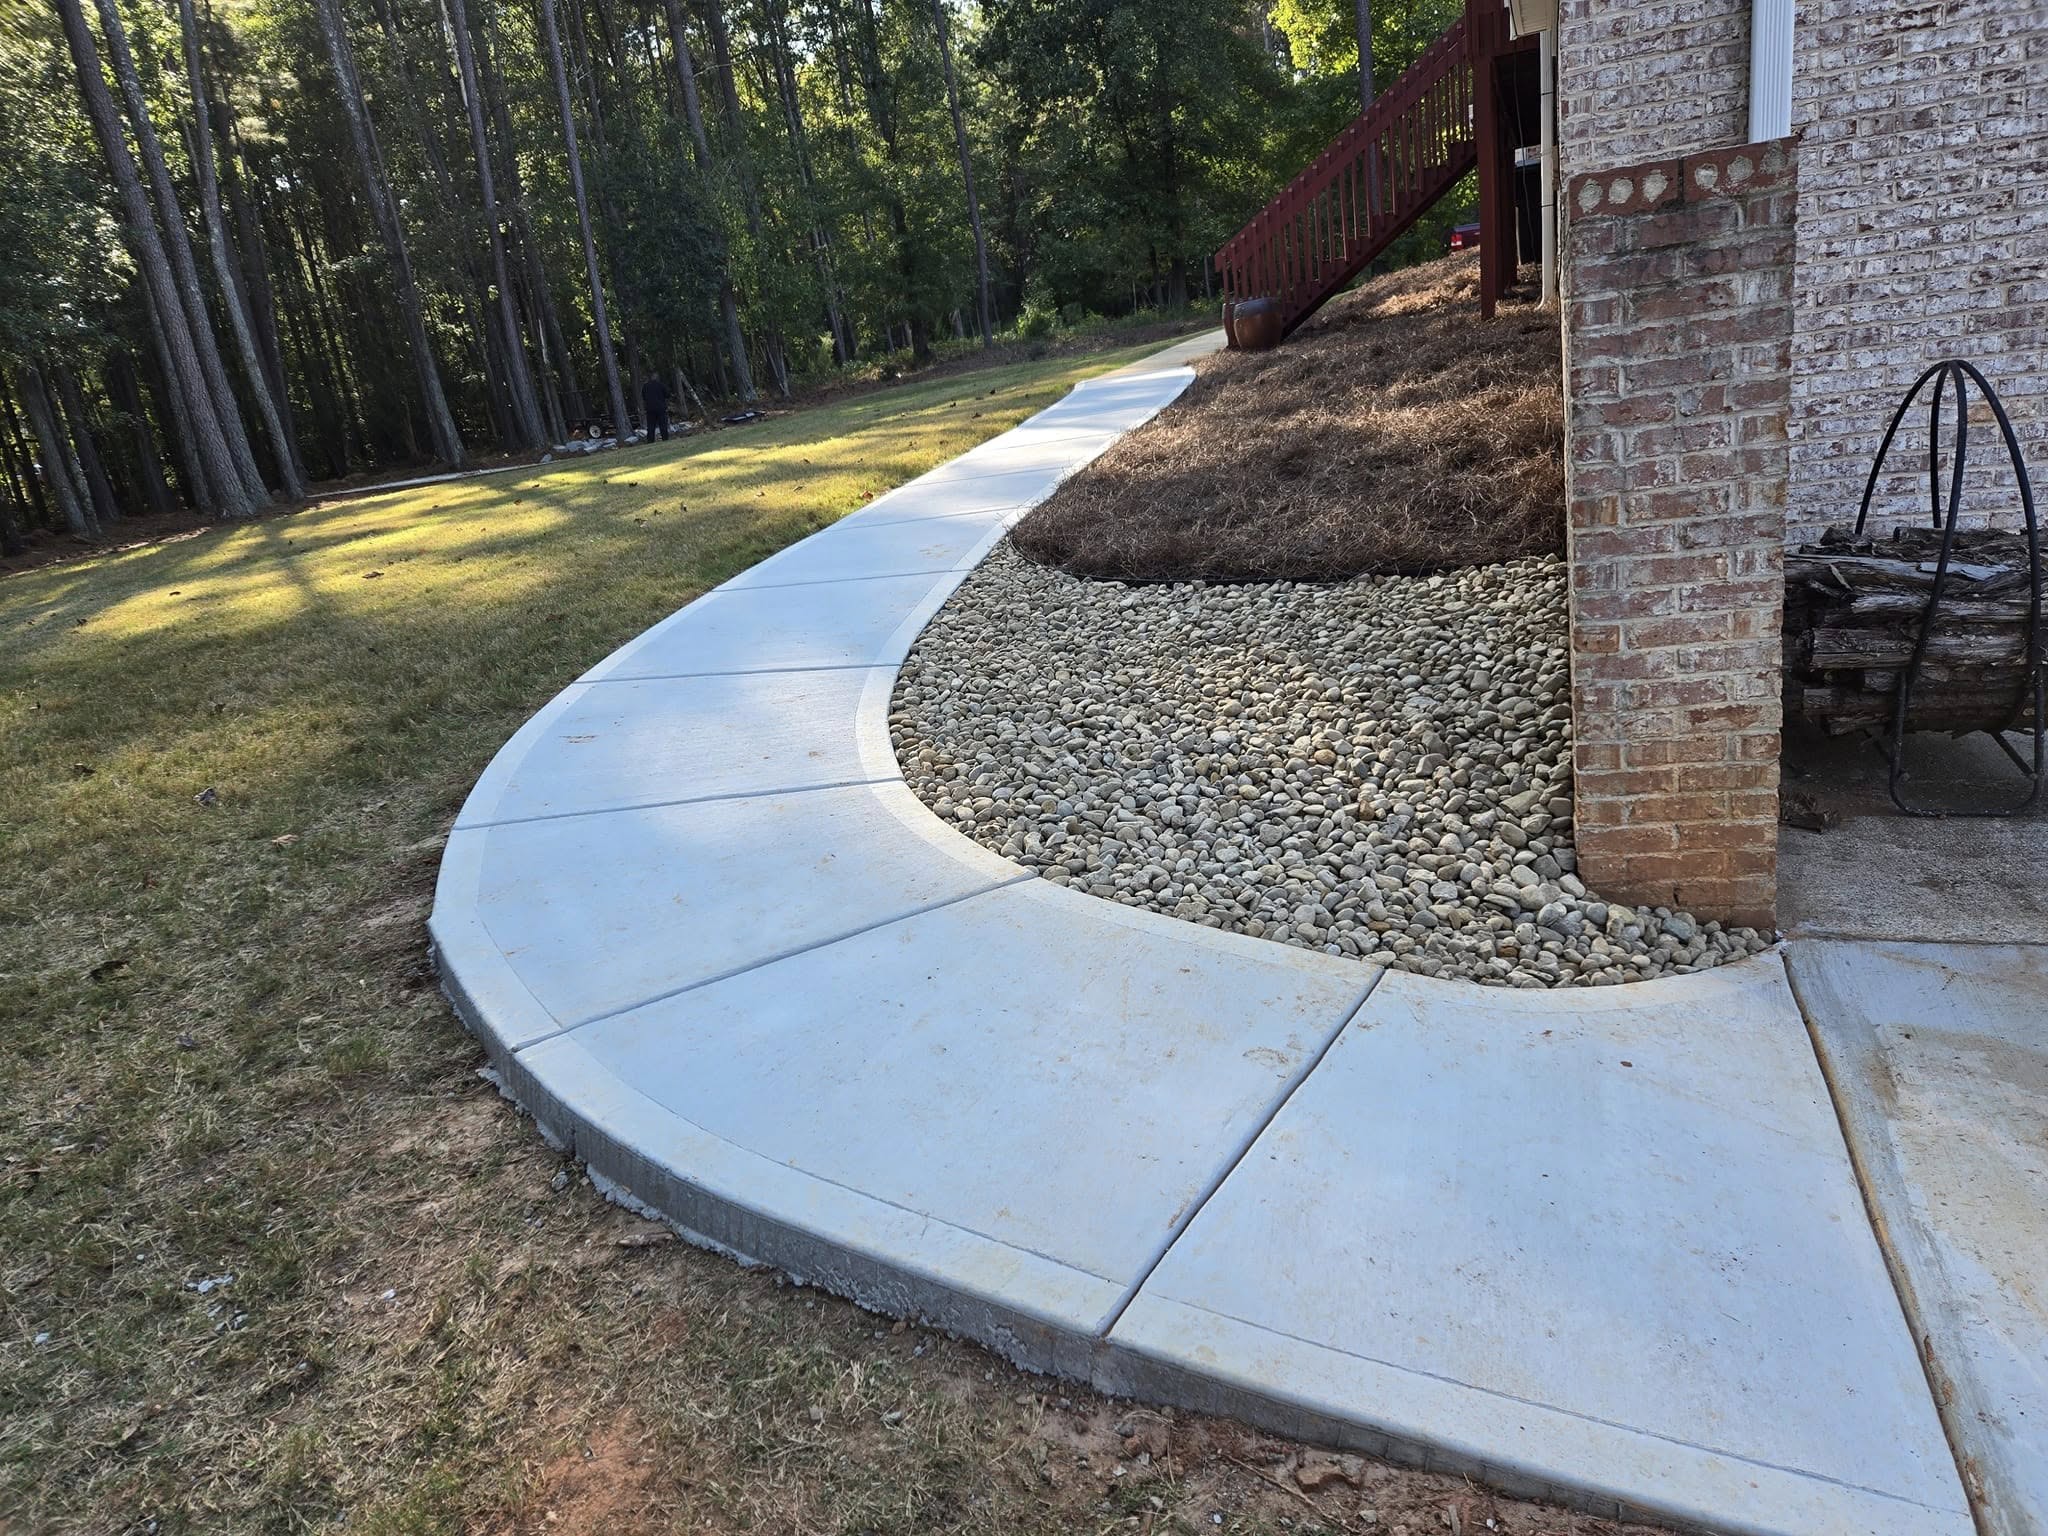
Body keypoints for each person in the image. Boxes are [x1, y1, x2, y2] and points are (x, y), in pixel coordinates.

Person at [640, 372, 671, 442]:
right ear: (657, 378)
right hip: (661, 408)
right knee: (663, 425)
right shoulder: (661, 385)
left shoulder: (645, 386)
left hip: (650, 409)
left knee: (651, 426)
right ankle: (665, 439)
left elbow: (644, 397)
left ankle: (650, 441)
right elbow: (667, 395)